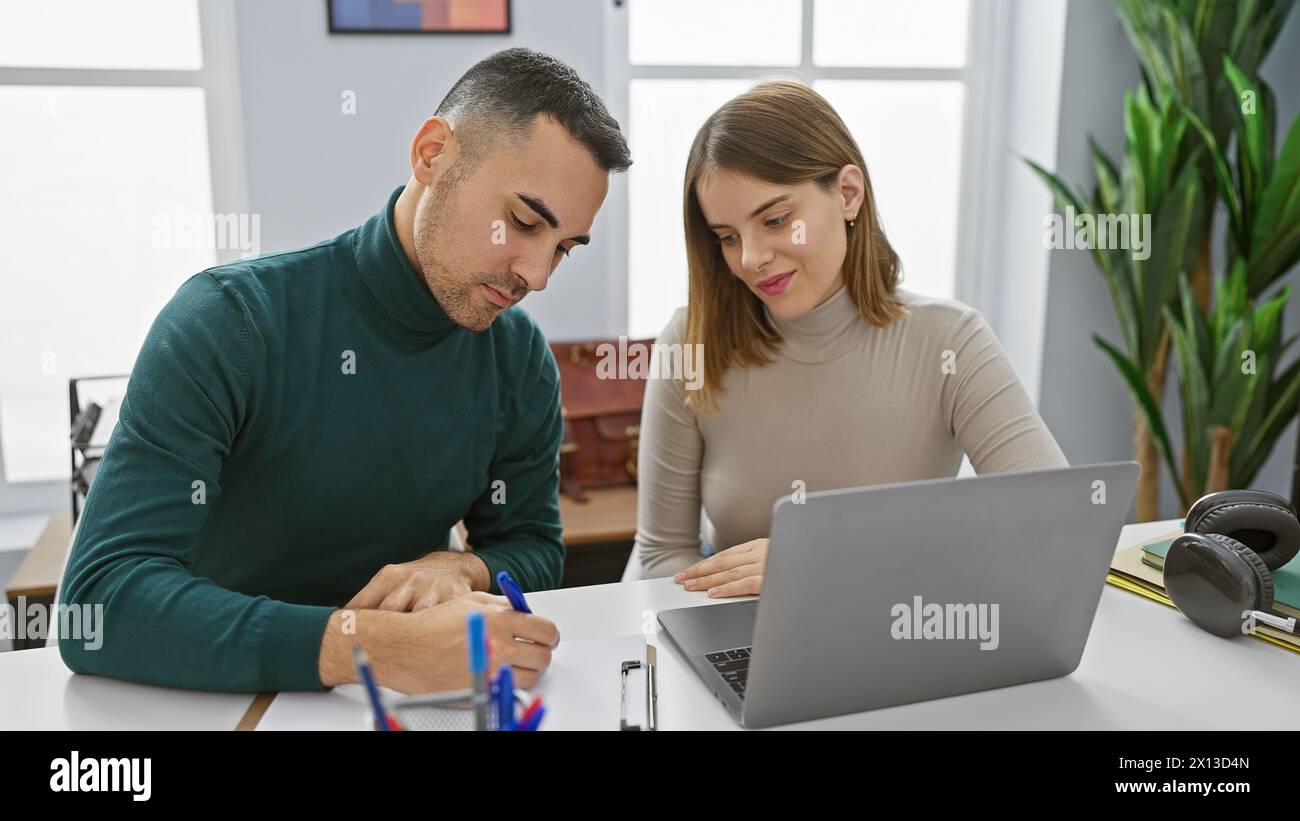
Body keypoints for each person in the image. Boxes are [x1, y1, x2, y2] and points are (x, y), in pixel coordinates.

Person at [60, 48, 631, 694]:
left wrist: (460, 567)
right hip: (206, 703)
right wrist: (368, 647)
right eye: (523, 222)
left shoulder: (518, 356)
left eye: (562, 248)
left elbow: (532, 546)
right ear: (432, 153)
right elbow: (100, 605)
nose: (537, 274)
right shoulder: (229, 321)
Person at [627, 79, 1067, 594]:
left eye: (776, 219)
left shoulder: (950, 340)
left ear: (848, 194)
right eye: (727, 237)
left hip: (906, 633)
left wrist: (822, 563)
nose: (749, 258)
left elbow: (1053, 522)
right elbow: (661, 554)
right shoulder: (689, 343)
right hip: (741, 641)